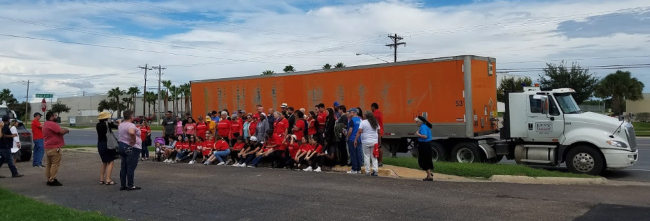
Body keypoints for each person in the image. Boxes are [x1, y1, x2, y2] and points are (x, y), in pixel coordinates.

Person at [117, 110, 142, 191]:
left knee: (123, 166)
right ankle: (130, 185)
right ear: (131, 117)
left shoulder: (121, 125)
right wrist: (134, 140)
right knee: (130, 167)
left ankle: (123, 184)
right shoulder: (131, 125)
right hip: (131, 147)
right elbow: (131, 132)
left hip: (121, 145)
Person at [43, 112, 68, 185]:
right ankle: (52, 179)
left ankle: (48, 177)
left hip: (48, 147)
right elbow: (61, 132)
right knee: (55, 164)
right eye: (55, 116)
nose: (56, 117)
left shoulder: (45, 124)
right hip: (54, 147)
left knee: (49, 164)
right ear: (51, 117)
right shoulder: (52, 124)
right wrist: (66, 130)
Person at [96, 112, 118, 185]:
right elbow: (118, 127)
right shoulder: (108, 124)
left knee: (104, 161)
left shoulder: (98, 125)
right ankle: (108, 179)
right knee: (111, 161)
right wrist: (119, 122)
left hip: (100, 144)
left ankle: (101, 179)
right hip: (108, 144)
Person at [356, 111, 380, 176]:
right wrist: (379, 141)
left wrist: (355, 139)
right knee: (374, 156)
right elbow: (378, 132)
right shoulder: (375, 122)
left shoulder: (363, 122)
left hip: (366, 142)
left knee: (366, 156)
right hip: (374, 142)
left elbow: (359, 131)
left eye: (364, 114)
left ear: (366, 116)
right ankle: (375, 171)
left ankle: (367, 171)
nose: (363, 115)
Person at [415, 116, 434, 181]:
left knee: (423, 160)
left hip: (424, 145)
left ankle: (429, 176)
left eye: (417, 122)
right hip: (426, 144)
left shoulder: (423, 127)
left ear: (420, 122)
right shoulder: (425, 126)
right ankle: (429, 174)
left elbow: (425, 136)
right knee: (426, 159)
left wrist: (418, 134)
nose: (416, 123)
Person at [346, 108, 363, 174]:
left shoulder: (351, 120)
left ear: (354, 113)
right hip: (358, 139)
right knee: (358, 154)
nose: (349, 114)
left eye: (350, 113)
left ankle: (354, 169)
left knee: (353, 154)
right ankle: (358, 169)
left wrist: (347, 137)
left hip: (352, 139)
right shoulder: (360, 120)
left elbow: (350, 130)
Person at [371, 103, 384, 167]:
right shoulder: (380, 113)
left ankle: (380, 161)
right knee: (379, 146)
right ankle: (380, 161)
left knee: (378, 147)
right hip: (380, 132)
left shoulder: (375, 114)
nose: (371, 109)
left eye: (372, 108)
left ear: (373, 107)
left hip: (377, 132)